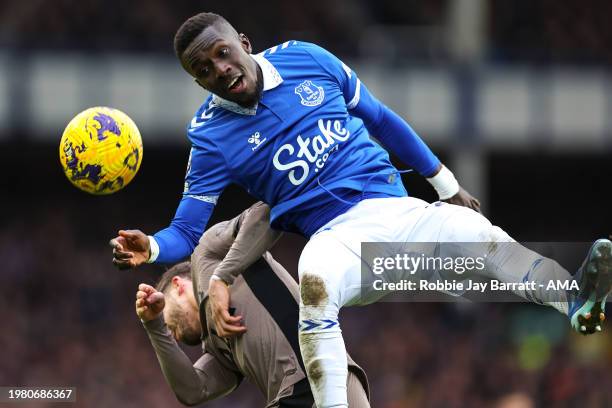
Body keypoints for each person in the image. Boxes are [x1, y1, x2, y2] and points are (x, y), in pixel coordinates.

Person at [111, 12, 612, 407]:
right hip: (337, 239)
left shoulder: (307, 58)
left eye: (221, 54)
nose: (219, 70)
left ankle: (575, 301)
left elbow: (379, 117)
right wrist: (153, 245)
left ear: (242, 43)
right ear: (199, 84)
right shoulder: (209, 136)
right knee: (315, 278)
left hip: (397, 213)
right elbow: (186, 228)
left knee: (480, 236)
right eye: (204, 71)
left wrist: (444, 183)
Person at [134, 202, 370, 407]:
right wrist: (154, 325)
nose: (172, 336)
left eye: (167, 321)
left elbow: (265, 212)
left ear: (178, 285)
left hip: (324, 379)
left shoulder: (207, 255)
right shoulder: (221, 352)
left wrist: (222, 277)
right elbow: (192, 391)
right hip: (303, 392)